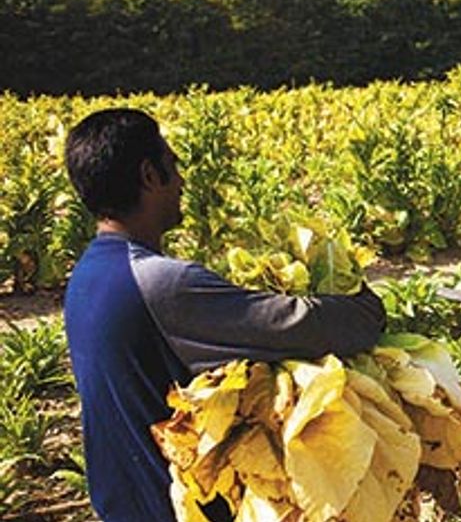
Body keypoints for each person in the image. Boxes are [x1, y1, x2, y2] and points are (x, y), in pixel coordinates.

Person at [62, 108, 387, 522]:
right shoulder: (160, 283)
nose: (181, 180)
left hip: (123, 504)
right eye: (173, 164)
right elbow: (299, 325)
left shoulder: (86, 276)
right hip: (172, 508)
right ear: (149, 175)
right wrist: (363, 306)